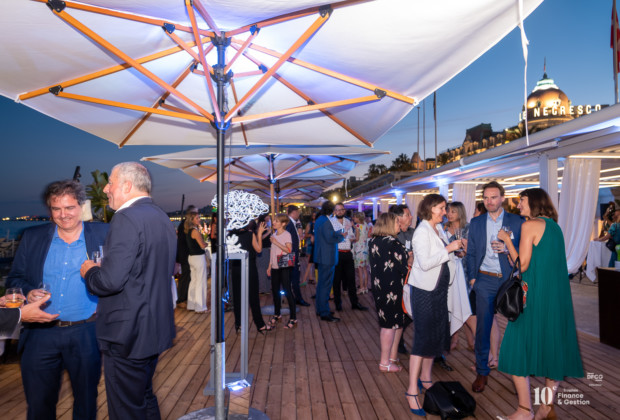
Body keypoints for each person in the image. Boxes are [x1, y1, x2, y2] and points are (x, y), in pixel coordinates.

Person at [80, 162, 176, 420]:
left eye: (110, 183)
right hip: (153, 329)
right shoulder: (161, 216)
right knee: (144, 398)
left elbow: (109, 282)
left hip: (128, 335)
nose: (106, 189)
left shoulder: (125, 218)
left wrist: (90, 271)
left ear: (127, 186)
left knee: (126, 410)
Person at [7, 179, 108, 420]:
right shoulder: (33, 237)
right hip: (40, 335)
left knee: (86, 401)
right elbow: (15, 279)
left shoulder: (104, 234)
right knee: (39, 403)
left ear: (81, 206)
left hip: (86, 332)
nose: (63, 215)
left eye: (69, 207)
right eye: (56, 209)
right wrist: (28, 292)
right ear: (50, 209)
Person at [497, 188, 583, 420]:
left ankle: (525, 410)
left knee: (515, 349)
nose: (518, 205)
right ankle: (546, 406)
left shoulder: (529, 225)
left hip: (533, 297)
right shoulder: (554, 227)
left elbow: (522, 265)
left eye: (522, 201)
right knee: (551, 348)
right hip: (555, 298)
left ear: (534, 202)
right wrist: (511, 251)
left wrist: (507, 240)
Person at [405, 194, 463, 416]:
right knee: (422, 339)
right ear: (430, 209)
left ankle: (426, 378)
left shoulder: (437, 229)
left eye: (445, 208)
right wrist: (448, 249)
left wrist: (455, 250)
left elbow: (440, 257)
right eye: (441, 208)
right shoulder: (422, 232)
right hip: (425, 292)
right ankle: (411, 390)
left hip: (439, 290)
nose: (445, 212)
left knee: (435, 336)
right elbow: (425, 262)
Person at [465, 181, 524, 393]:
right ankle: (482, 371)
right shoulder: (476, 222)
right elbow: (471, 252)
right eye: (486, 198)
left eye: (494, 197)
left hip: (509, 280)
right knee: (483, 328)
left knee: (518, 325)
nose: (489, 201)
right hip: (485, 280)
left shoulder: (517, 221)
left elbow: (525, 251)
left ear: (502, 198)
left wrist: (508, 248)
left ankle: (520, 372)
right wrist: (473, 279)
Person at [368, 212, 411, 373]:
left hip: (379, 286)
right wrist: (410, 258)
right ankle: (385, 362)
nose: (399, 225)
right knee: (390, 325)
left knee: (393, 323)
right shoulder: (394, 243)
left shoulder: (373, 241)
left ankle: (391, 358)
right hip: (393, 288)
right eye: (397, 223)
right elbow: (404, 267)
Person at [228, 217, 271, 333]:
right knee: (253, 297)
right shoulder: (249, 234)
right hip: (249, 267)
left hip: (236, 267)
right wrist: (260, 234)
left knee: (237, 297)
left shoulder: (230, 235)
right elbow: (259, 250)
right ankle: (260, 325)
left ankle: (239, 324)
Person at [444, 201, 475, 352]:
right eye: (448, 211)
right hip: (449, 271)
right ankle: (456, 338)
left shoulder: (468, 228)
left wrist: (463, 252)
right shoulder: (443, 228)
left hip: (465, 271)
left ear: (460, 213)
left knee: (465, 306)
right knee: (453, 305)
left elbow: (472, 250)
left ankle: (471, 342)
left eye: (453, 211)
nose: (449, 214)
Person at [330, 203, 368, 312]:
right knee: (337, 280)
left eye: (341, 209)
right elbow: (329, 237)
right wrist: (340, 235)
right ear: (334, 211)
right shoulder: (331, 222)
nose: (339, 211)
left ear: (344, 210)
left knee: (351, 279)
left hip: (348, 253)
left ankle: (354, 303)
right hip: (337, 253)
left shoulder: (347, 221)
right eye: (337, 210)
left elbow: (352, 235)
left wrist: (351, 237)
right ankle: (338, 304)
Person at [388, 204, 415, 356]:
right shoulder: (392, 236)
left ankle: (399, 337)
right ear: (398, 218)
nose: (411, 217)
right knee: (399, 311)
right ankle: (396, 343)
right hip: (397, 279)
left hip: (413, 278)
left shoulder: (414, 233)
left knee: (411, 311)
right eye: (408, 214)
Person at [314, 201, 345, 322]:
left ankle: (320, 308)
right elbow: (329, 238)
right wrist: (341, 236)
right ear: (332, 210)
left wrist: (336, 233)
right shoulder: (326, 221)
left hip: (322, 256)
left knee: (321, 284)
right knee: (325, 285)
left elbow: (326, 235)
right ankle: (324, 312)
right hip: (327, 257)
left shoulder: (320, 219)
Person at [267, 213, 297, 329]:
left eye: (277, 221)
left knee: (287, 291)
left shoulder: (286, 234)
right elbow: (272, 252)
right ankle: (277, 314)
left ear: (283, 223)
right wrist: (269, 266)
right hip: (275, 266)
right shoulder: (274, 234)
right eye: (274, 220)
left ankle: (293, 318)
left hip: (284, 266)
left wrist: (276, 242)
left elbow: (289, 250)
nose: (274, 222)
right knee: (275, 292)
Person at [285, 205, 310, 306]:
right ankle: (297, 299)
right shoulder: (289, 223)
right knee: (294, 277)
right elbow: (287, 240)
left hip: (292, 253)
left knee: (293, 277)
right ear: (294, 212)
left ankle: (295, 298)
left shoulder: (292, 223)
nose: (299, 214)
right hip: (290, 254)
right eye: (298, 212)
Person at [185, 211, 209, 313]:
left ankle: (191, 305)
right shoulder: (195, 231)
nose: (199, 219)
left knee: (194, 281)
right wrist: (206, 244)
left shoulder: (188, 231)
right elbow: (202, 245)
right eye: (197, 218)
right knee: (200, 282)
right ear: (192, 220)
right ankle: (200, 307)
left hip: (191, 258)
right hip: (198, 258)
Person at [176, 204, 197, 308]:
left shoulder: (185, 224)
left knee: (187, 276)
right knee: (185, 276)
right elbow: (183, 242)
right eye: (195, 213)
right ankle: (181, 299)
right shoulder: (184, 225)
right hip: (184, 254)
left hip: (186, 254)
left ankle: (184, 298)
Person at [352, 212, 370, 294]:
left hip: (359, 249)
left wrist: (351, 239)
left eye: (355, 217)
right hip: (365, 248)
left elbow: (357, 238)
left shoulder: (358, 226)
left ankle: (361, 288)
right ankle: (365, 287)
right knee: (365, 269)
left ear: (358, 218)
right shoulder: (365, 224)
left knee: (359, 269)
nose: (354, 218)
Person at [256, 213, 273, 293]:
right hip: (263, 249)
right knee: (263, 269)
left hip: (267, 249)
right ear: (264, 216)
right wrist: (268, 232)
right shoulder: (262, 225)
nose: (269, 217)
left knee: (266, 268)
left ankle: (266, 288)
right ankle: (263, 289)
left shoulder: (265, 224)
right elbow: (259, 237)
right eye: (268, 215)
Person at [301, 212, 317, 285]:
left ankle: (310, 278)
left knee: (311, 263)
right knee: (310, 262)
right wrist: (311, 235)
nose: (314, 216)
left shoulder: (318, 223)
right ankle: (307, 279)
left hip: (316, 244)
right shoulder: (309, 224)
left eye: (315, 215)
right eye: (313, 215)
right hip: (311, 243)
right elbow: (305, 235)